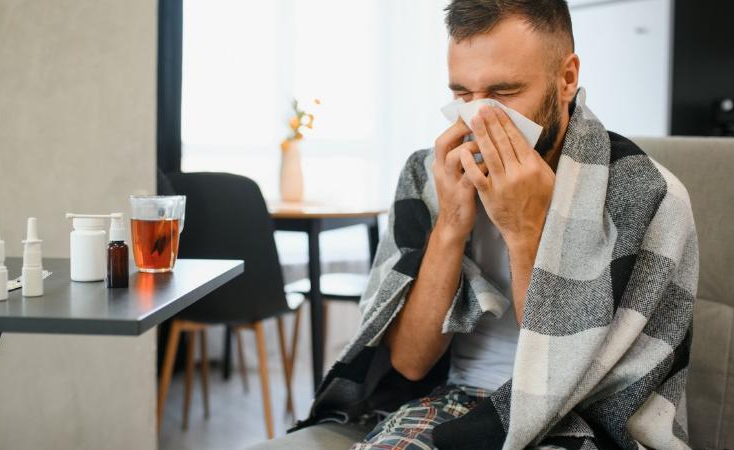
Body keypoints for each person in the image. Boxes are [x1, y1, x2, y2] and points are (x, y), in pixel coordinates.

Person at [250, 1, 697, 449]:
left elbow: (571, 384)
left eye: (503, 93)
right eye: (462, 94)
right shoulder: (427, 176)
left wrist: (524, 231)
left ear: (566, 78)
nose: (479, 117)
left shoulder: (645, 194)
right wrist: (451, 223)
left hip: (577, 418)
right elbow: (408, 363)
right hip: (455, 400)